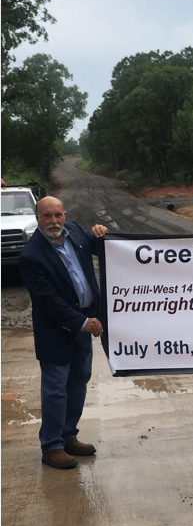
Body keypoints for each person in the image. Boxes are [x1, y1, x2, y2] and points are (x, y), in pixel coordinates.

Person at [19, 196, 108, 469]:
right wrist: (83, 322)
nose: (54, 221)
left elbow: (101, 249)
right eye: (48, 216)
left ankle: (68, 436)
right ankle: (51, 446)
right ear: (38, 219)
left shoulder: (76, 231)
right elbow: (48, 301)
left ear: (64, 215)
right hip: (56, 331)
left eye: (58, 215)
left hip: (83, 326)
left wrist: (101, 235)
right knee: (56, 389)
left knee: (79, 381)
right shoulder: (31, 255)